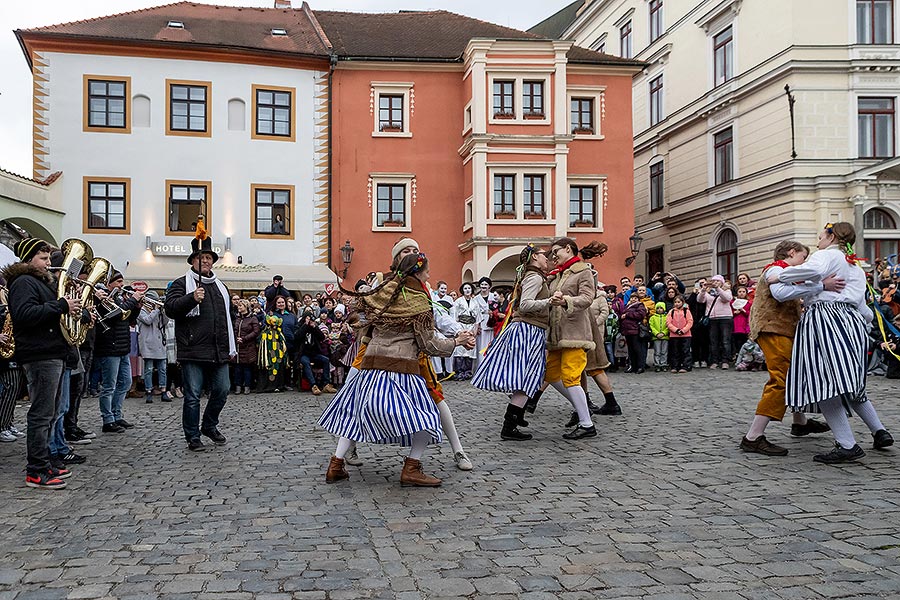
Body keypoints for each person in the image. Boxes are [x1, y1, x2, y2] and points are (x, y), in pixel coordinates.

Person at [319, 253, 475, 486]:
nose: (429, 275)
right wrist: (457, 342)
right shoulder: (418, 300)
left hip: (370, 366)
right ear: (417, 272)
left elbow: (358, 312)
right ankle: (412, 467)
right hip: (401, 368)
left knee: (355, 414)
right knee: (428, 419)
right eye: (427, 271)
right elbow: (428, 344)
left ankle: (336, 464)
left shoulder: (383, 291)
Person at [772, 223, 893, 463]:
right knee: (849, 381)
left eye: (820, 237)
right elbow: (861, 304)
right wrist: (866, 325)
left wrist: (781, 274)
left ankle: (847, 444)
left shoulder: (827, 255)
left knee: (824, 381)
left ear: (832, 236)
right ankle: (879, 431)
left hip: (825, 320)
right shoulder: (854, 265)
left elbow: (809, 272)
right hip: (852, 322)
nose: (817, 242)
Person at [4, 239, 82, 489]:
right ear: (29, 260)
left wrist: (73, 310)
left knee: (50, 412)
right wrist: (61, 305)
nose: (49, 264)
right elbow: (24, 315)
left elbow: (51, 311)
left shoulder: (40, 282)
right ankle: (36, 470)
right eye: (43, 258)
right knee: (41, 414)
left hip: (53, 351)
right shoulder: (24, 282)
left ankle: (46, 460)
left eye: (49, 259)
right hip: (39, 354)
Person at [164, 225, 235, 452]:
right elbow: (171, 308)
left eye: (208, 257)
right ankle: (192, 436)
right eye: (200, 257)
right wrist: (191, 298)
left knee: (223, 390)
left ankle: (209, 425)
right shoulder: (180, 284)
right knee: (193, 395)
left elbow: (228, 316)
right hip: (193, 349)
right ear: (192, 260)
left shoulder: (220, 286)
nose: (205, 261)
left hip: (218, 349)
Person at [472, 244, 550, 441]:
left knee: (527, 379)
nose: (547, 258)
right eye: (543, 255)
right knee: (528, 379)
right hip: (528, 330)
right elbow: (525, 304)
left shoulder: (532, 276)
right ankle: (509, 427)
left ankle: (514, 420)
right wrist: (550, 302)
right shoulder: (534, 277)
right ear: (534, 258)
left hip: (528, 330)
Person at [544, 237, 605, 440]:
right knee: (551, 375)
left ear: (568, 249)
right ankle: (581, 406)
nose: (554, 256)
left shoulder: (583, 271)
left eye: (556, 252)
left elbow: (588, 298)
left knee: (571, 376)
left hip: (575, 333)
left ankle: (586, 423)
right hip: (557, 334)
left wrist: (566, 300)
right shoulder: (558, 274)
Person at [93, 271, 142, 432]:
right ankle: (108, 419)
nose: (121, 285)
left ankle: (117, 415)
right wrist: (132, 301)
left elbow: (128, 318)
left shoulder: (119, 297)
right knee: (109, 386)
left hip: (122, 347)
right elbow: (114, 315)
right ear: (109, 283)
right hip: (109, 347)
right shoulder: (103, 298)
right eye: (118, 282)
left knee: (126, 383)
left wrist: (137, 307)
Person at [137, 291, 170, 403]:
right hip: (148, 343)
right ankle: (149, 391)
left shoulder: (158, 311)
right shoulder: (141, 311)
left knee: (162, 369)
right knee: (149, 369)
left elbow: (165, 322)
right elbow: (147, 320)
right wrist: (156, 310)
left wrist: (163, 311)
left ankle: (163, 390)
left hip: (160, 343)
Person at [295, 311, 337, 395]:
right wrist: (305, 325)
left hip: (314, 353)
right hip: (303, 354)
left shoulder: (314, 327)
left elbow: (321, 337)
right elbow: (297, 337)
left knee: (325, 360)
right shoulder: (299, 326)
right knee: (306, 363)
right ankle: (313, 385)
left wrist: (314, 327)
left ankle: (326, 384)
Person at [698, 275, 733, 369]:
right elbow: (700, 300)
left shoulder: (726, 290)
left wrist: (718, 289)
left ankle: (725, 361)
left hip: (725, 318)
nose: (715, 283)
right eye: (714, 281)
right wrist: (703, 290)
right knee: (713, 341)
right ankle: (715, 361)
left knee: (725, 341)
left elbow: (727, 299)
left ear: (722, 282)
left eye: (717, 281)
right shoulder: (709, 292)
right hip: (712, 319)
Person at [451, 283, 480, 380]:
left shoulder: (475, 302)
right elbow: (455, 316)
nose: (467, 290)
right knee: (460, 350)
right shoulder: (458, 301)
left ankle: (468, 372)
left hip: (471, 326)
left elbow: (478, 318)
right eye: (465, 288)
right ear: (462, 290)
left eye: (469, 288)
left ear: (471, 290)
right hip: (461, 325)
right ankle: (459, 371)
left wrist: (475, 330)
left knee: (470, 349)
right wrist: (459, 329)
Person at [233, 300, 260, 395]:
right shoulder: (237, 318)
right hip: (238, 347)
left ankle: (247, 386)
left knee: (247, 367)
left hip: (248, 346)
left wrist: (244, 339)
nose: (239, 307)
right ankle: (238, 386)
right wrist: (235, 338)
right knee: (237, 368)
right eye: (238, 306)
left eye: (241, 306)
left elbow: (256, 331)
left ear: (246, 306)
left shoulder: (253, 318)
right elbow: (233, 329)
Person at [666, 295, 693, 373]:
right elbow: (668, 322)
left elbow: (690, 322)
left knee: (685, 350)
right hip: (674, 335)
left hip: (686, 335)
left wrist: (683, 330)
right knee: (675, 351)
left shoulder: (686, 311)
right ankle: (675, 366)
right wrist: (676, 330)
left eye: (679, 302)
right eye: (675, 302)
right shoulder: (671, 311)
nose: (677, 304)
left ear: (682, 302)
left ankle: (686, 365)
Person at [474, 276, 495, 368]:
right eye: (482, 284)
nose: (483, 286)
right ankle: (481, 366)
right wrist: (477, 325)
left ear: (489, 286)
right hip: (481, 322)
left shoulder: (493, 296)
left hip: (492, 322)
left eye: (486, 284)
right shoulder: (476, 298)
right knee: (481, 345)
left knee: (491, 344)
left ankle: (491, 366)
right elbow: (475, 312)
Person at [731, 285, 752, 358]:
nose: (741, 293)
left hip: (744, 324)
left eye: (743, 292)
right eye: (740, 292)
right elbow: (730, 312)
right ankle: (737, 355)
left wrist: (744, 311)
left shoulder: (749, 303)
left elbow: (750, 313)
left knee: (743, 341)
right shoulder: (732, 302)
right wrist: (734, 313)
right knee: (736, 341)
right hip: (735, 324)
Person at [649, 301, 669, 372]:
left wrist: (664, 333)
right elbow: (652, 326)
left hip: (665, 337)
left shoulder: (667, 317)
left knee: (664, 351)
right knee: (657, 351)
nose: (659, 309)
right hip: (656, 337)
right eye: (658, 308)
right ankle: (657, 364)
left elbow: (668, 326)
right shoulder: (653, 318)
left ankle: (663, 364)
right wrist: (656, 333)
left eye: (661, 308)